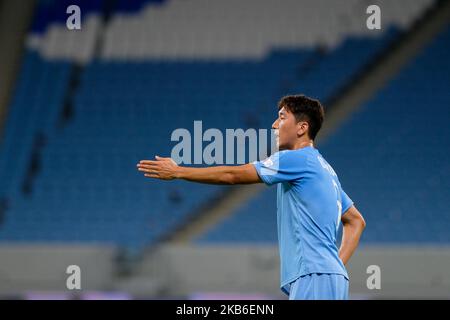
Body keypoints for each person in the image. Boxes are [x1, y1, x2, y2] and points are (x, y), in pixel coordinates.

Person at [137, 94, 366, 300]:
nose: (274, 125)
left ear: (302, 127)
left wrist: (179, 171)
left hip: (314, 276)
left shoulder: (296, 159)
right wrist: (335, 265)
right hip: (329, 277)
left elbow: (232, 175)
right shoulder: (324, 169)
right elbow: (356, 221)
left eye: (282, 117)